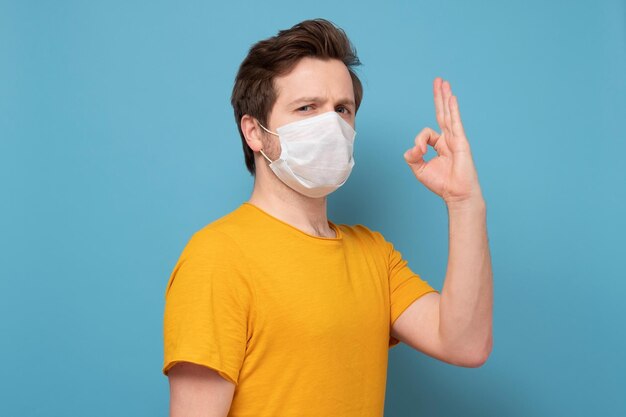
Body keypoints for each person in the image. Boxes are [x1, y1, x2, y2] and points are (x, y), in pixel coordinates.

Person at [162, 18, 493, 417]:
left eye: (342, 109)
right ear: (254, 132)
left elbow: (465, 343)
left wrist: (465, 202)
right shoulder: (216, 258)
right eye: (307, 108)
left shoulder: (373, 253)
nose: (331, 125)